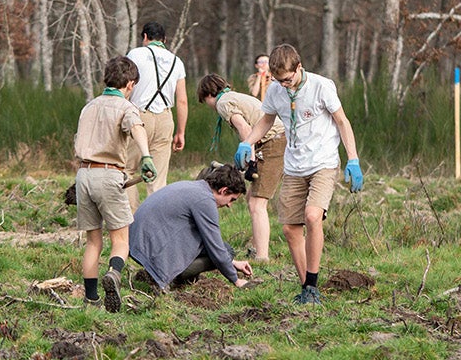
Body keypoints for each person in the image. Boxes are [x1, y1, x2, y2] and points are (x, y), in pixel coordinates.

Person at [255, 43, 363, 305]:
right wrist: (247, 142)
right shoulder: (276, 90)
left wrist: (353, 159)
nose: (285, 85)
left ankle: (313, 283)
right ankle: (307, 289)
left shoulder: (321, 86)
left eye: (289, 79)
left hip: (323, 162)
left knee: (312, 215)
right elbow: (267, 120)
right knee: (291, 229)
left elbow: (342, 121)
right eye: (279, 81)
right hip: (294, 166)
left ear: (299, 68)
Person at [73, 56, 154, 311]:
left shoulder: (88, 107)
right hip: (109, 175)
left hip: (83, 175)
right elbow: (137, 128)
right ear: (130, 84)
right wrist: (146, 156)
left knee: (93, 241)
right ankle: (114, 274)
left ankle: (91, 299)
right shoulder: (126, 108)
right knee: (120, 240)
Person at [125, 164, 254, 292]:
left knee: (224, 252)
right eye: (232, 199)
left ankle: (158, 272)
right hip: (149, 248)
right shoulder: (205, 201)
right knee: (227, 250)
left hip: (136, 243)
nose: (229, 205)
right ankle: (172, 277)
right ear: (223, 190)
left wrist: (233, 263)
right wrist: (236, 280)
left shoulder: (194, 187)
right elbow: (216, 248)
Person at [196, 72, 282, 261]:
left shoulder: (223, 103)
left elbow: (245, 129)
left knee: (257, 203)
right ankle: (256, 245)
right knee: (252, 197)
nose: (208, 106)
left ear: (208, 94)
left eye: (205, 101)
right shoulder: (233, 97)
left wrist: (250, 161)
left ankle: (262, 257)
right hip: (269, 141)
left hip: (274, 142)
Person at [126, 22, 187, 195]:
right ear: (164, 39)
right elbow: (182, 100)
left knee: (127, 170)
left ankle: (129, 220)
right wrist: (180, 132)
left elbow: (126, 86)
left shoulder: (135, 54)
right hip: (165, 120)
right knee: (158, 178)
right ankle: (154, 221)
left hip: (138, 117)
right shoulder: (177, 61)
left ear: (145, 37)